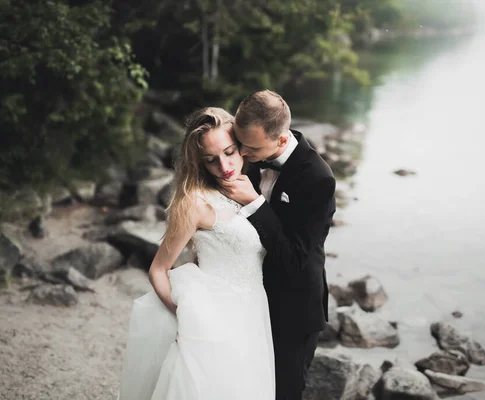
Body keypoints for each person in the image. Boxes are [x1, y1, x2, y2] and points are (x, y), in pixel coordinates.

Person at [117, 107, 275, 400]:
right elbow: (158, 269)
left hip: (252, 314)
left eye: (229, 152)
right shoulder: (196, 203)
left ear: (241, 146)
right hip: (210, 319)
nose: (225, 165)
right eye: (211, 160)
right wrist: (184, 317)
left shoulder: (253, 189)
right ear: (199, 163)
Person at [221, 90, 336, 400]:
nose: (241, 153)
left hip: (293, 309)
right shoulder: (248, 152)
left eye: (251, 147)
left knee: (283, 392)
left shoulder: (318, 180)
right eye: (240, 142)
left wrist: (256, 204)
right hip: (246, 296)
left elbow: (292, 259)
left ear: (282, 141)